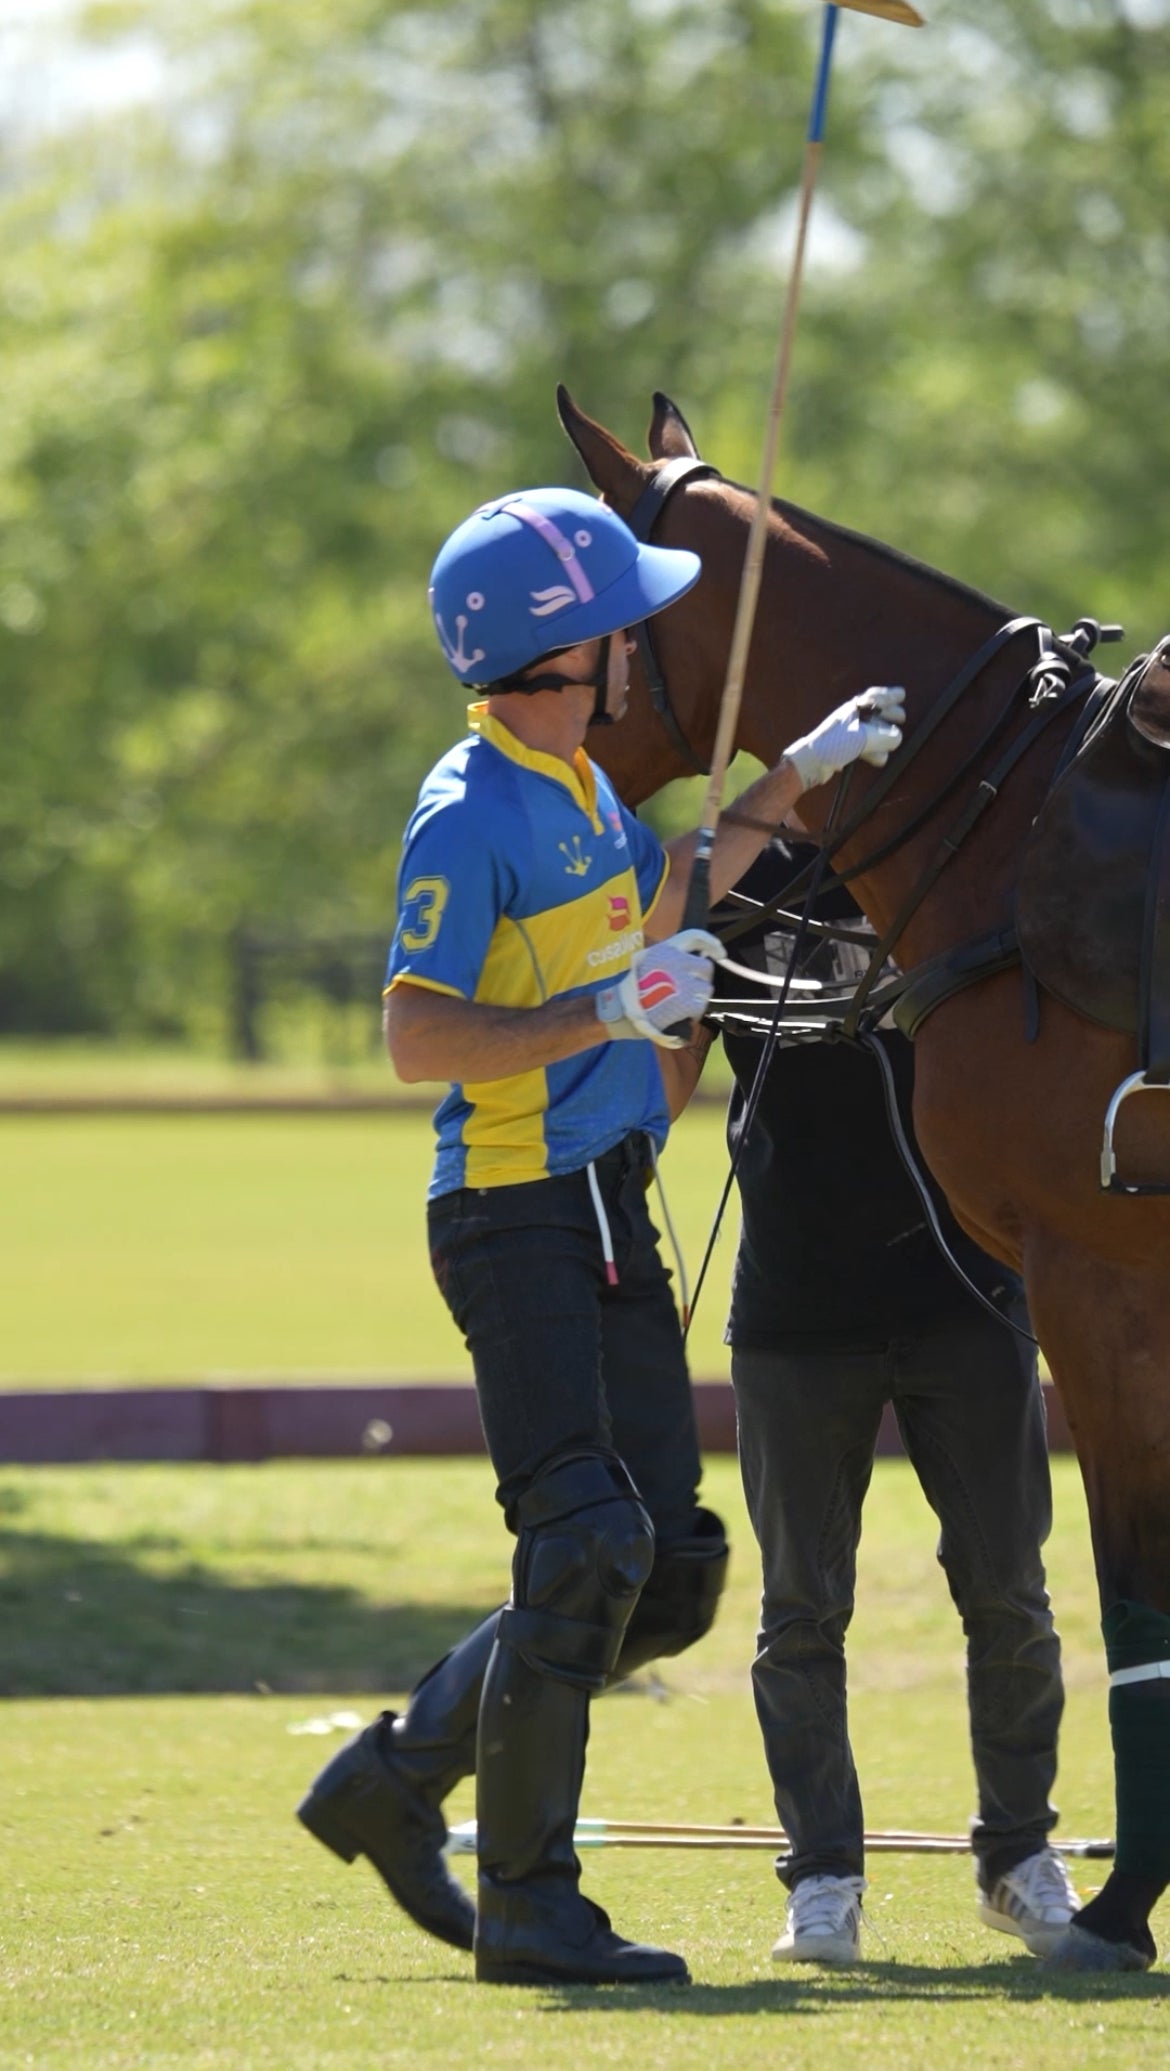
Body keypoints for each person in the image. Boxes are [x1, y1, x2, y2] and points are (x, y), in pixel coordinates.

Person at [295, 484, 905, 1988]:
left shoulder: (579, 788)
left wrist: (793, 783)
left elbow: (670, 888)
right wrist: (604, 1010)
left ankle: (392, 1775)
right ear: (578, 651)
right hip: (511, 1215)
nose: (645, 646)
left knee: (667, 1566)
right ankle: (527, 1902)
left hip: (609, 1202)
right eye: (629, 624)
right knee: (583, 1540)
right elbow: (413, 1035)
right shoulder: (470, 808)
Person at [660, 841, 1080, 1966]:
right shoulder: (739, 882)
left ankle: (1018, 1858)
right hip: (795, 1309)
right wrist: (673, 958)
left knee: (1009, 1593)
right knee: (800, 1611)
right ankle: (825, 1879)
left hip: (970, 1295)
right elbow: (658, 1087)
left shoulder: (961, 864)